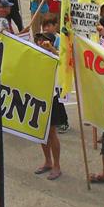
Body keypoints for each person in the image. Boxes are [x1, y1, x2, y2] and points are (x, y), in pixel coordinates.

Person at [32, 32, 62, 180]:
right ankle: (47, 161)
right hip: (38, 98)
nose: (40, 42)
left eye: (44, 40)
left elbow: (63, 64)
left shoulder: (55, 56)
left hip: (52, 98)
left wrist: (52, 49)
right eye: (39, 39)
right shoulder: (35, 55)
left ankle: (57, 165)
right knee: (41, 133)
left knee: (51, 133)